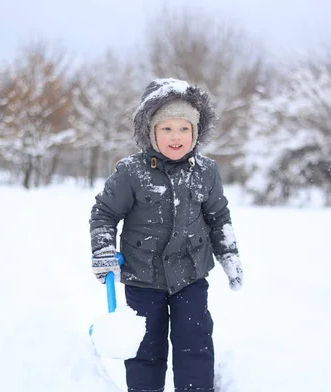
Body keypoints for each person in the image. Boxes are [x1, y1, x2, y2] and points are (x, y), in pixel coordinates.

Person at [89, 78, 243, 392]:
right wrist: (103, 250)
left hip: (191, 275)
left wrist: (228, 254)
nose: (176, 137)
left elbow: (218, 217)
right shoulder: (131, 172)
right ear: (150, 132)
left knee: (195, 343)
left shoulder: (206, 171)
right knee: (146, 348)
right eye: (166, 129)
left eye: (184, 129)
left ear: (196, 133)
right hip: (142, 277)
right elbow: (104, 213)